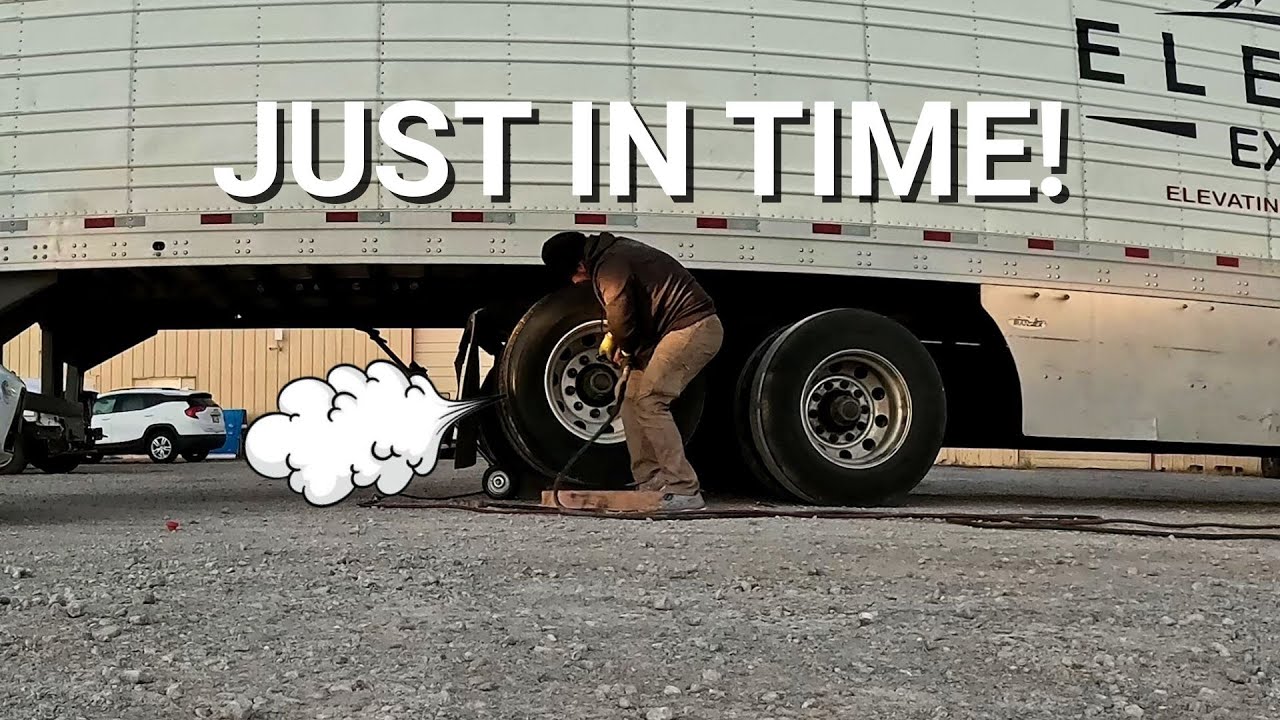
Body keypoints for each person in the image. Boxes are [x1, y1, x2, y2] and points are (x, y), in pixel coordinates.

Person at [541, 230, 723, 511]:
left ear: (578, 266)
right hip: (666, 334)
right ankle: (650, 482)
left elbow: (622, 316)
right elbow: (640, 314)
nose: (577, 283)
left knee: (651, 399)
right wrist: (628, 353)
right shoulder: (612, 254)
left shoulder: (611, 265)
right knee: (628, 395)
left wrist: (621, 344)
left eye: (573, 277)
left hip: (694, 328)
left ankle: (684, 488)